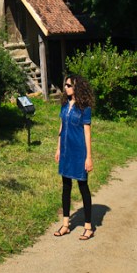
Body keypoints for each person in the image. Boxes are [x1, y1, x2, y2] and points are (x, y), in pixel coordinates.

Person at [54, 73, 95, 240]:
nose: (66, 88)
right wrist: (58, 149)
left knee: (83, 187)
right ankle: (65, 224)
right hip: (65, 151)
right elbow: (61, 128)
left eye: (69, 85)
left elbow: (87, 133)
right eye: (65, 85)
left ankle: (88, 226)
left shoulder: (85, 108)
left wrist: (89, 157)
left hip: (79, 153)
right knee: (66, 186)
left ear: (77, 87)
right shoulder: (65, 105)